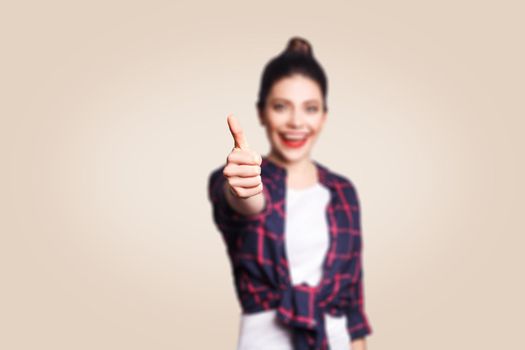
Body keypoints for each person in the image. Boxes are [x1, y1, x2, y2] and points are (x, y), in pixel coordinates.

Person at [208, 37, 372, 350]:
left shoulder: (343, 192)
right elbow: (247, 205)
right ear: (261, 113)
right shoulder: (238, 178)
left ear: (323, 116)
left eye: (310, 109)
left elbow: (352, 306)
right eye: (281, 107)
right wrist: (244, 187)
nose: (296, 122)